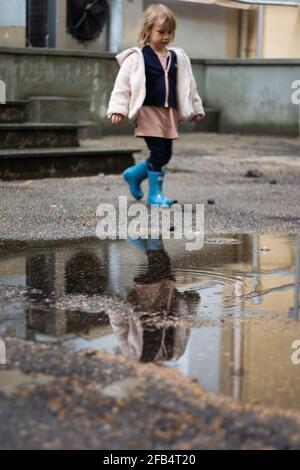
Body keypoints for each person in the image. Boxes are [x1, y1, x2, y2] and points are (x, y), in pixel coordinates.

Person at [107, 3, 205, 208]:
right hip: (148, 112)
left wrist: (195, 108)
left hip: (167, 112)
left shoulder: (177, 58)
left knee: (166, 154)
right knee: (159, 152)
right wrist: (118, 108)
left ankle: (134, 174)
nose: (166, 36)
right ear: (148, 30)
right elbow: (122, 85)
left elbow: (189, 85)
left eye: (170, 32)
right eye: (161, 32)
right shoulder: (138, 58)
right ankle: (155, 194)